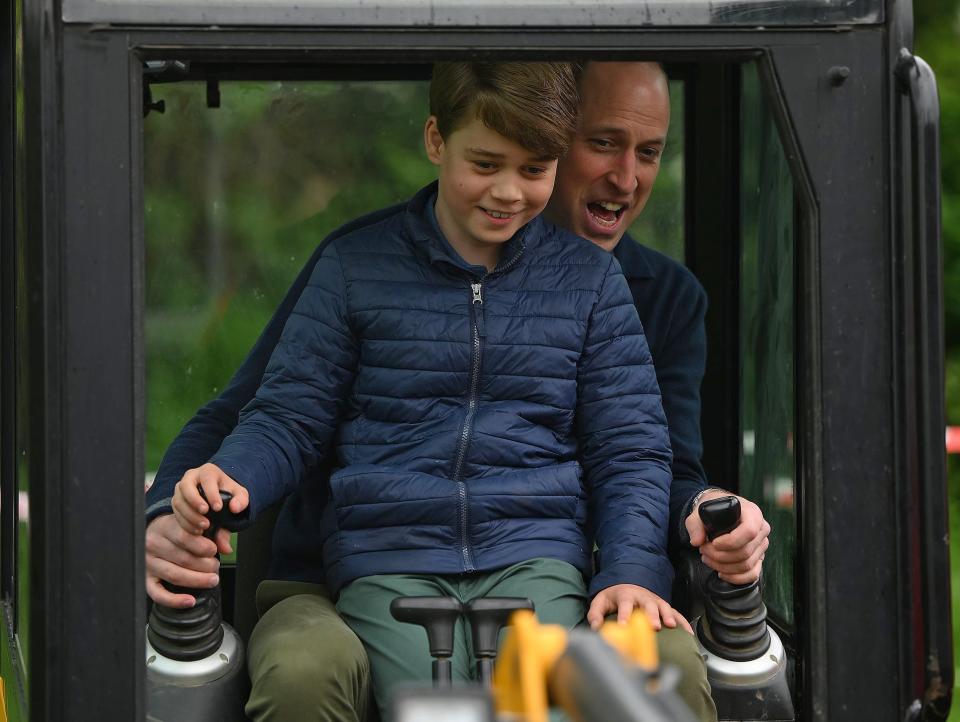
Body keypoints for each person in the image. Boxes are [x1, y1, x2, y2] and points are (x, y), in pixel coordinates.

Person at [144, 61, 770, 722]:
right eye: (605, 143)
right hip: (379, 557)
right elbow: (276, 413)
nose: (507, 192)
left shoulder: (604, 286)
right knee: (364, 683)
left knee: (637, 672)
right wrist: (193, 497)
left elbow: (638, 452)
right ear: (437, 141)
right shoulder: (358, 266)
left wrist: (633, 567)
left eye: (532, 169)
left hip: (538, 556)